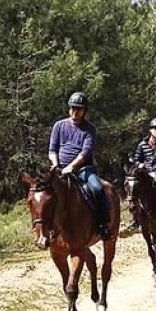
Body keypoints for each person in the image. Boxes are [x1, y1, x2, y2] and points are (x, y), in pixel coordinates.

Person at [48, 91, 110, 240]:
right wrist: (55, 164)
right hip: (60, 167)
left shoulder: (89, 129)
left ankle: (103, 225)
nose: (74, 112)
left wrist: (71, 167)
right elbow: (52, 149)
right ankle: (45, 228)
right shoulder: (59, 126)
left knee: (98, 189)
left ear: (84, 111)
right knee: (43, 193)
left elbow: (85, 153)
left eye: (78, 109)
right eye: (72, 108)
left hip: (84, 169)